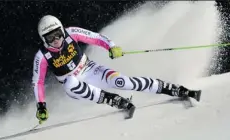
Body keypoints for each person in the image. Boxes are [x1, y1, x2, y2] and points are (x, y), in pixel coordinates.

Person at [32, 15, 201, 123]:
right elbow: (38, 82)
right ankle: (113, 100)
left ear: (62, 30)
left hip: (90, 69)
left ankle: (174, 89)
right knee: (69, 82)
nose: (56, 40)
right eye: (50, 37)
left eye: (58, 34)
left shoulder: (71, 33)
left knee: (122, 82)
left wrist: (111, 47)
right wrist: (41, 106)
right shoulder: (42, 56)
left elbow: (96, 38)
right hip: (75, 87)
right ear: (43, 39)